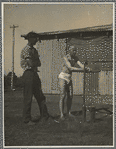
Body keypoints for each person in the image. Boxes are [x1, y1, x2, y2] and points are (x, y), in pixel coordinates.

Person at [20, 31, 49, 125]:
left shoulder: (34, 50)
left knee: (40, 96)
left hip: (35, 74)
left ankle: (45, 116)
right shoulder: (26, 50)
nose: (37, 40)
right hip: (28, 74)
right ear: (30, 39)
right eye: (35, 38)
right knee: (28, 97)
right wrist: (34, 62)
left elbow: (39, 63)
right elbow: (31, 63)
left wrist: (34, 62)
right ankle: (27, 120)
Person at [58, 45, 90, 120]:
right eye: (73, 50)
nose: (75, 52)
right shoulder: (65, 57)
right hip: (63, 76)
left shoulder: (76, 58)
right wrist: (82, 70)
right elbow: (70, 67)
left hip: (69, 77)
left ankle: (69, 112)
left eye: (75, 50)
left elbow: (81, 65)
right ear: (69, 50)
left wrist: (86, 68)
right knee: (62, 95)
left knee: (70, 96)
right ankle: (62, 114)